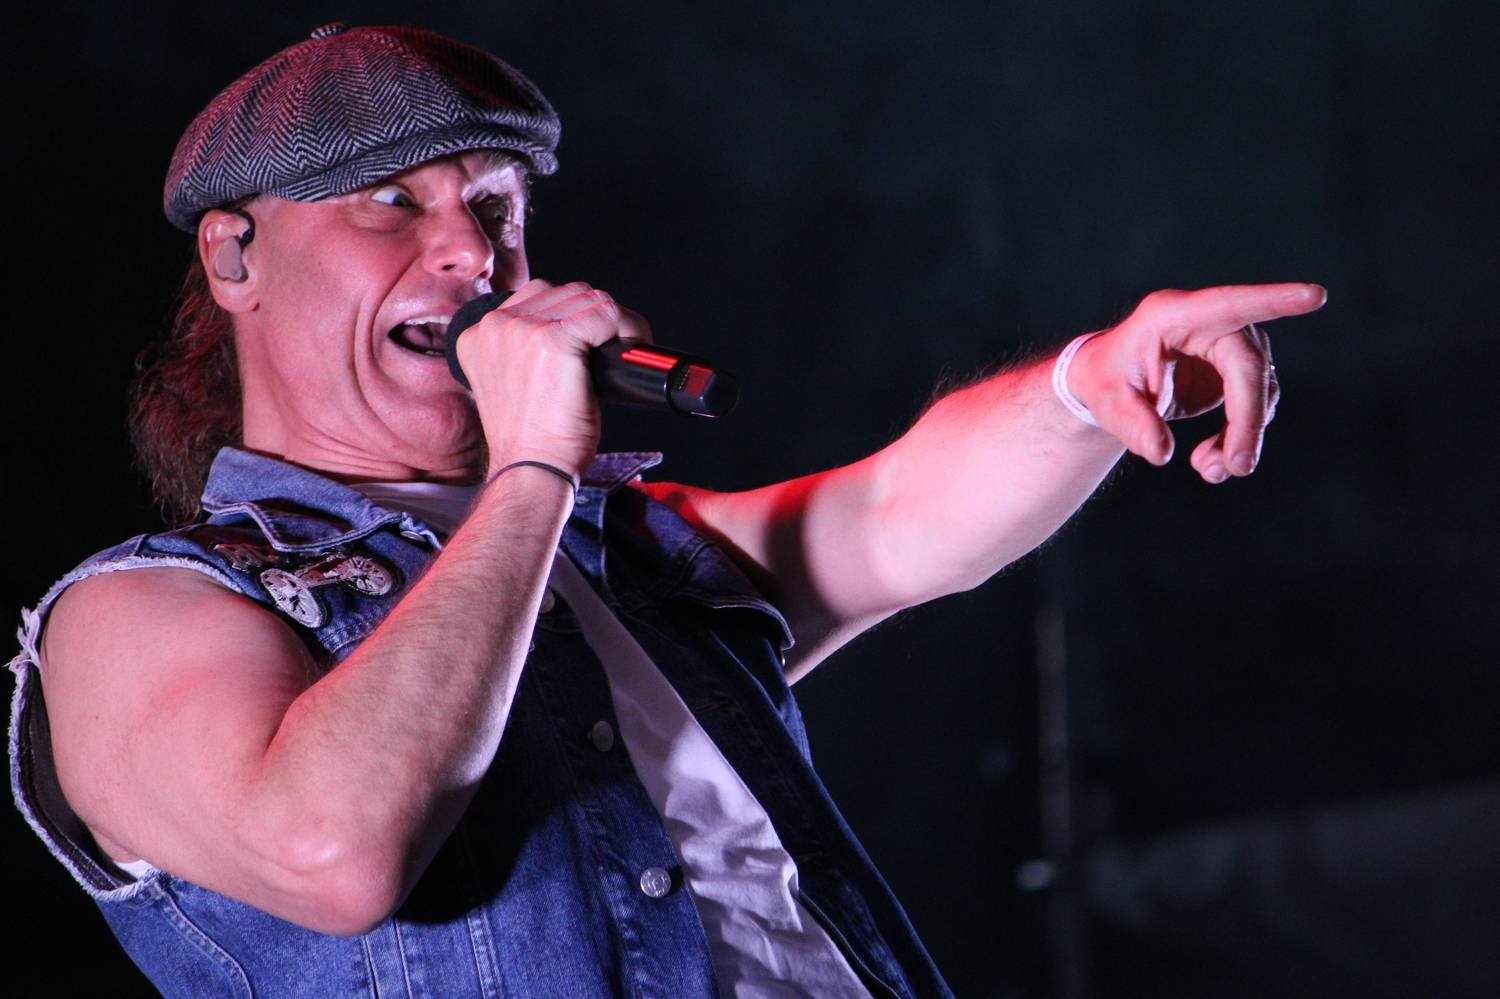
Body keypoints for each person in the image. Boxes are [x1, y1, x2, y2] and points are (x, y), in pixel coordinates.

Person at [6, 22, 1323, 998]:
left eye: (494, 207)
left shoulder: (629, 558)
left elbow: (898, 513)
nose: (470, 253)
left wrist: (1092, 381)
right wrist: (532, 467)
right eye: (391, 203)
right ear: (235, 254)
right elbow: (329, 847)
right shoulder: (139, 611)